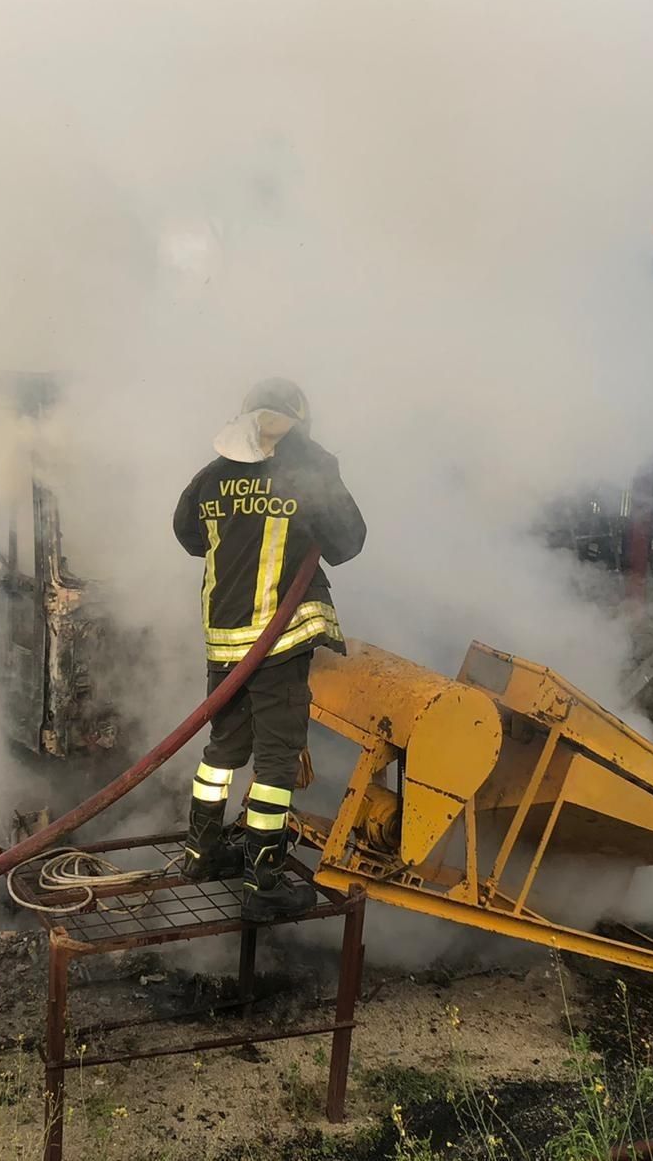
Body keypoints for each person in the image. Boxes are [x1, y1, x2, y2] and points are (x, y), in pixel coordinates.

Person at [172, 378, 367, 921]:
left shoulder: (211, 478)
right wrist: (315, 473)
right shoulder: (306, 472)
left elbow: (187, 535)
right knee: (277, 761)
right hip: (277, 646)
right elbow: (349, 542)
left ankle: (201, 852)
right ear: (299, 423)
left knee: (223, 752)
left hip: (225, 641)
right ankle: (264, 880)